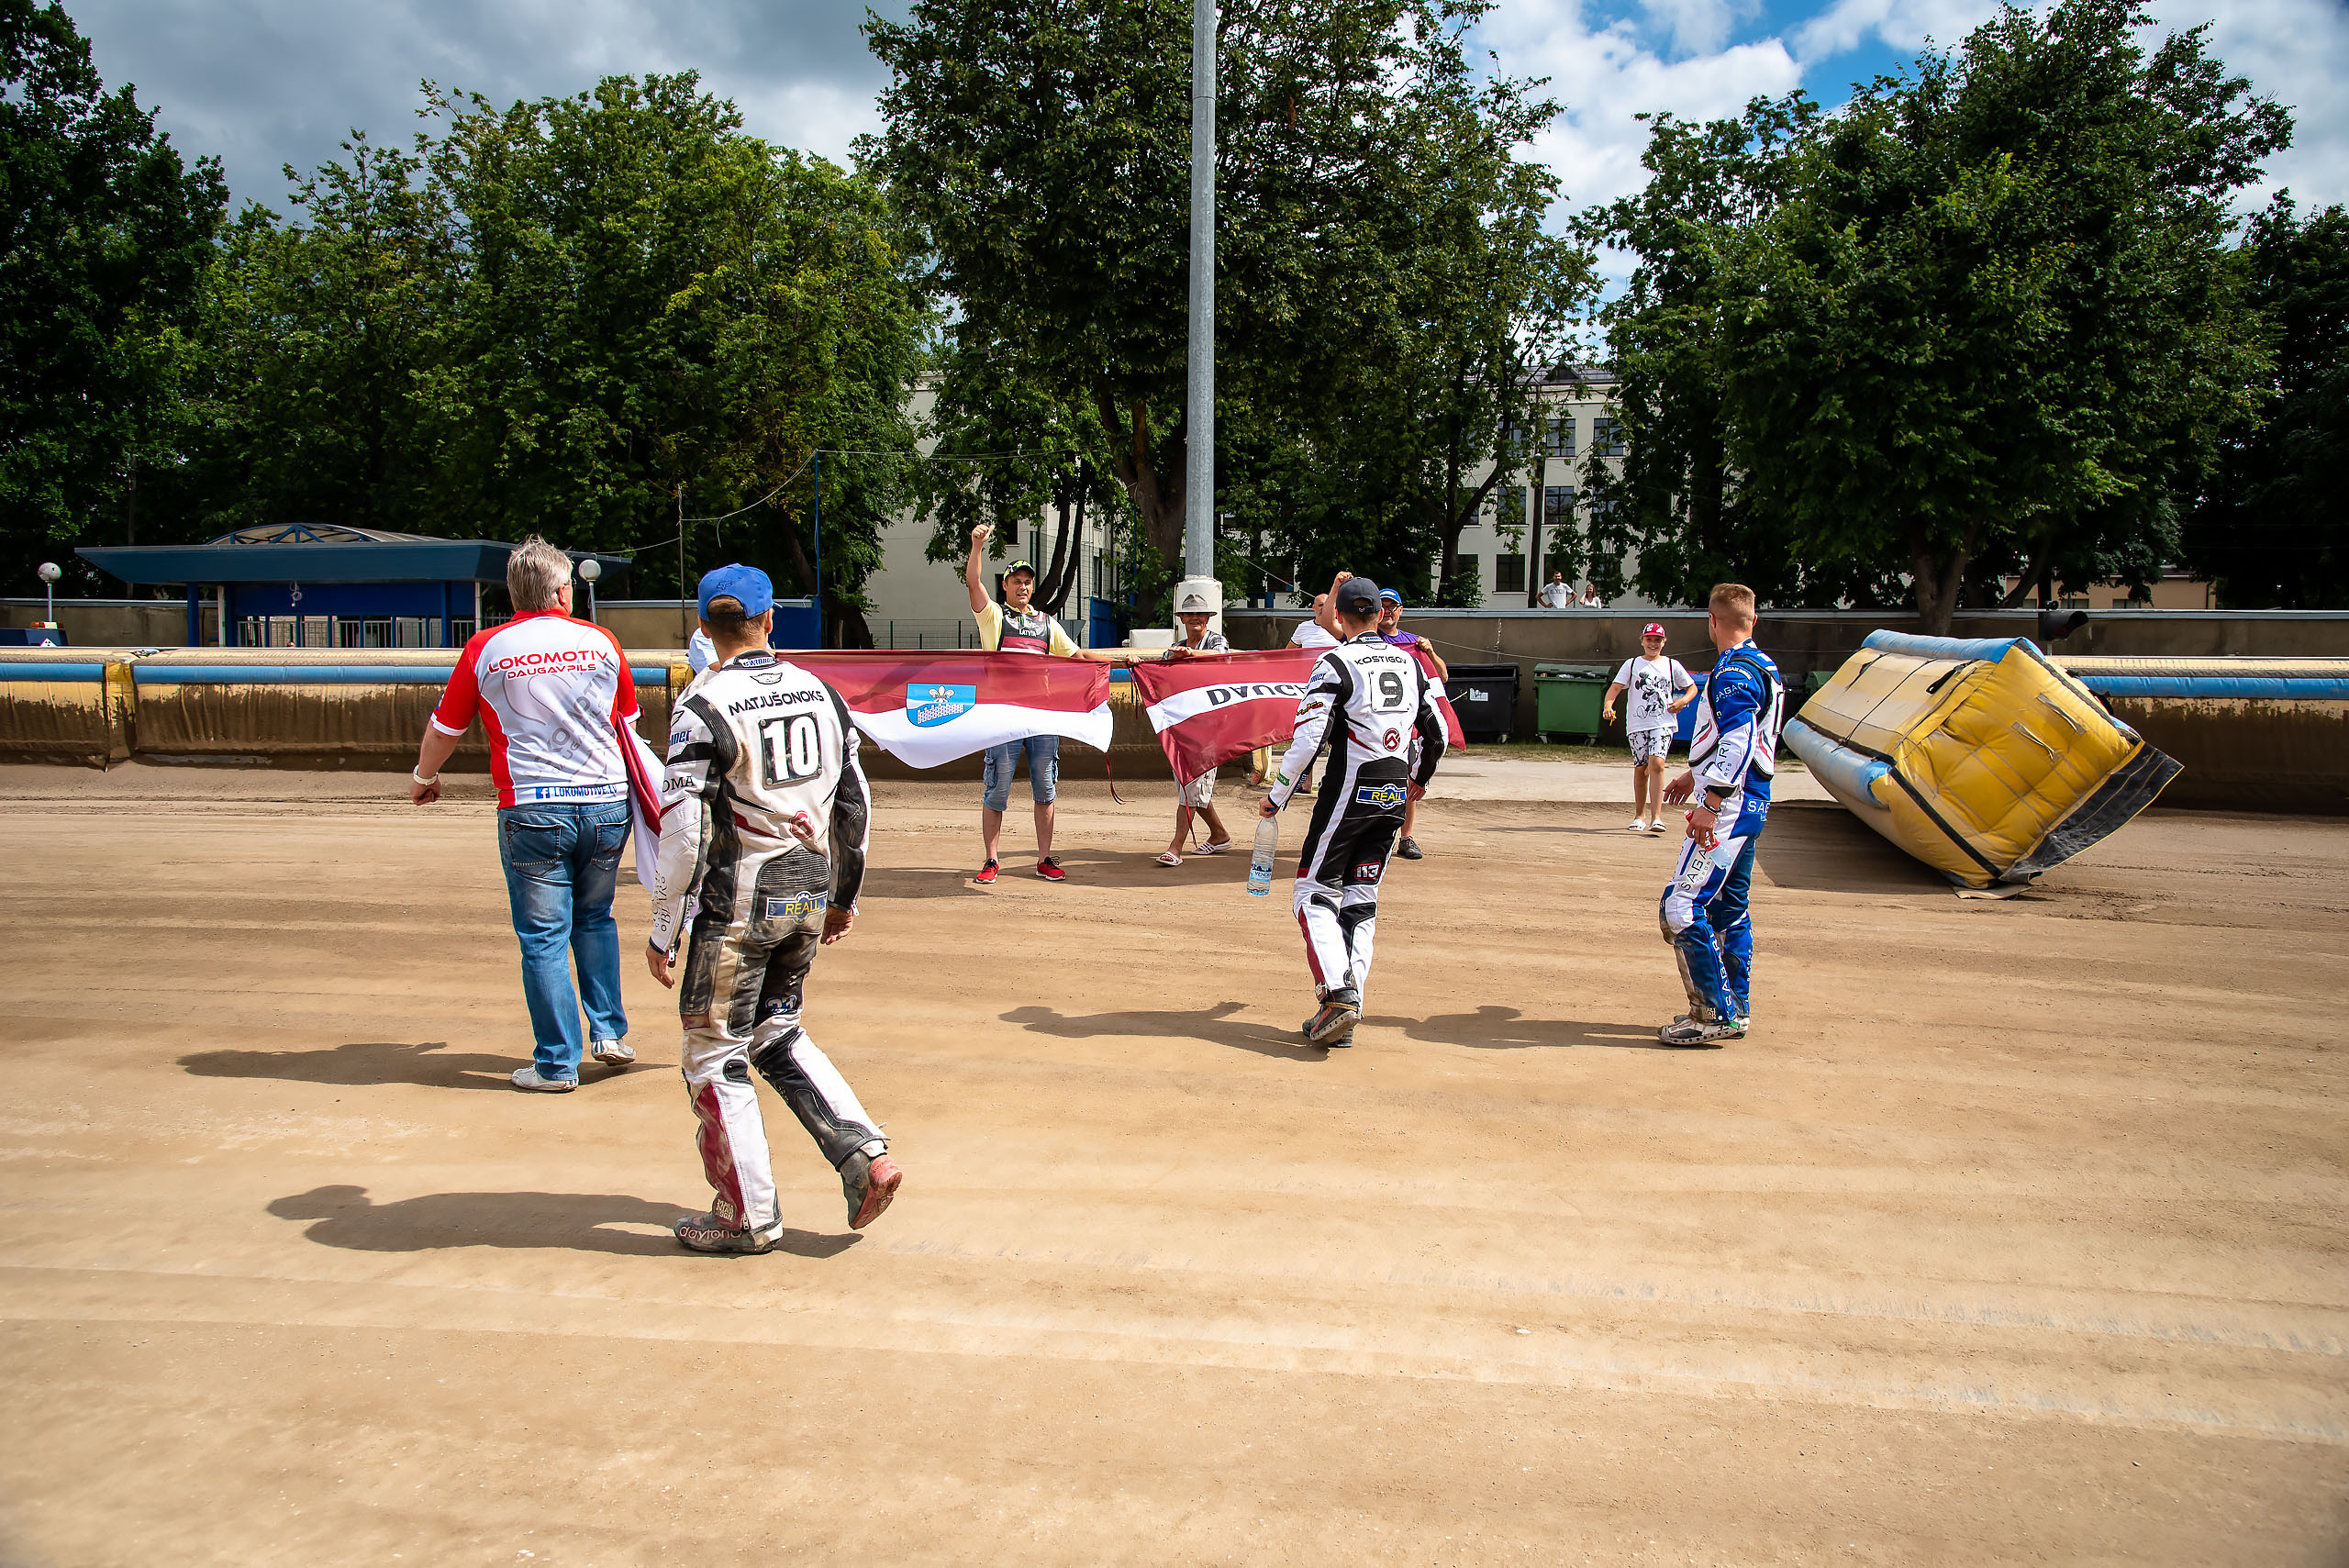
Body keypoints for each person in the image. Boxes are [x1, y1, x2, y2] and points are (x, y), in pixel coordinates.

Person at [644, 565, 903, 1251]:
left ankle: (746, 1215)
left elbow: (685, 834)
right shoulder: (821, 692)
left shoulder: (701, 706)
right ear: (769, 620)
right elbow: (855, 804)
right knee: (776, 1030)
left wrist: (663, 927)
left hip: (738, 903)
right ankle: (866, 1155)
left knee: (713, 1052)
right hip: (808, 891)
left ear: (702, 626)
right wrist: (844, 896)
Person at [410, 536, 638, 1093]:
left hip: (533, 808)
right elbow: (627, 718)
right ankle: (608, 1032)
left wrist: (424, 777)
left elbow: (446, 727)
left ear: (513, 593)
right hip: (606, 803)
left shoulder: (486, 648)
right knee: (595, 918)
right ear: (563, 591)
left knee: (542, 938)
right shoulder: (601, 641)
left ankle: (557, 1065)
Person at [1261, 576, 1448, 1049]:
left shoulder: (1335, 662)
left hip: (1350, 790)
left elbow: (1307, 739)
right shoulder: (1410, 662)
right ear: (1380, 614)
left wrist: (1278, 795)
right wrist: (1417, 783)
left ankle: (1339, 997)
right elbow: (1438, 732)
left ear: (1339, 617)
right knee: (1361, 899)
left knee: (1312, 891)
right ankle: (1346, 1008)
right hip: (1391, 796)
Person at [1656, 584, 1784, 1046]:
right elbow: (1743, 738)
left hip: (1728, 806)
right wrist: (1695, 774)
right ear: (1753, 621)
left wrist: (1710, 804)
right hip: (1751, 803)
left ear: (1712, 621)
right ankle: (1737, 1007)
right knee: (1730, 909)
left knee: (1681, 907)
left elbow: (1739, 739)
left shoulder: (1731, 672)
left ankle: (1712, 1012)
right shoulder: (1763, 666)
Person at [964, 522, 1082, 884]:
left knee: (1045, 789)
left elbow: (1078, 656)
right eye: (1017, 581)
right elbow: (972, 583)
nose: (1024, 587)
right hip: (1003, 718)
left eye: (1028, 582)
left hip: (1042, 720)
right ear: (1006, 585)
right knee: (997, 787)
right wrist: (977, 547)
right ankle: (991, 860)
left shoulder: (1048, 623)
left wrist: (1123, 662)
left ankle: (1044, 858)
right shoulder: (994, 616)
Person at [1157, 590, 1234, 865]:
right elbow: (1160, 671)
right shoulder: (1174, 647)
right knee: (1190, 786)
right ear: (1181, 618)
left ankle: (1176, 847)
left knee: (1191, 785)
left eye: (1200, 614)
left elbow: (1221, 659)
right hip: (1184, 725)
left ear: (1208, 618)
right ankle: (1219, 834)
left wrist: (1189, 654)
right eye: (1190, 613)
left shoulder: (1217, 641)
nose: (1195, 618)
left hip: (1210, 725)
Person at [1603, 623, 1698, 833]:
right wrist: (1608, 705)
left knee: (1657, 764)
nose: (1653, 643)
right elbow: (1616, 688)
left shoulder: (1672, 665)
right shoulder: (1633, 664)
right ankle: (1639, 816)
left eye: (1657, 640)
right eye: (1649, 639)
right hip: (1637, 724)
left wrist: (1682, 701)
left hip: (1662, 722)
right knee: (1641, 768)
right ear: (1642, 641)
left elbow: (1691, 687)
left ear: (1664, 642)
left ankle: (1657, 817)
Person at [1375, 588, 1447, 861]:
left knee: (1407, 780)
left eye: (1393, 606)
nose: (1388, 611)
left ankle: (1406, 838)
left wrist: (1430, 652)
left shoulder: (1413, 644)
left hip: (1407, 725)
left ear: (1401, 610)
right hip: (1374, 722)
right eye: (1383, 606)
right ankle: (1373, 835)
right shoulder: (1368, 640)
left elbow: (1442, 677)